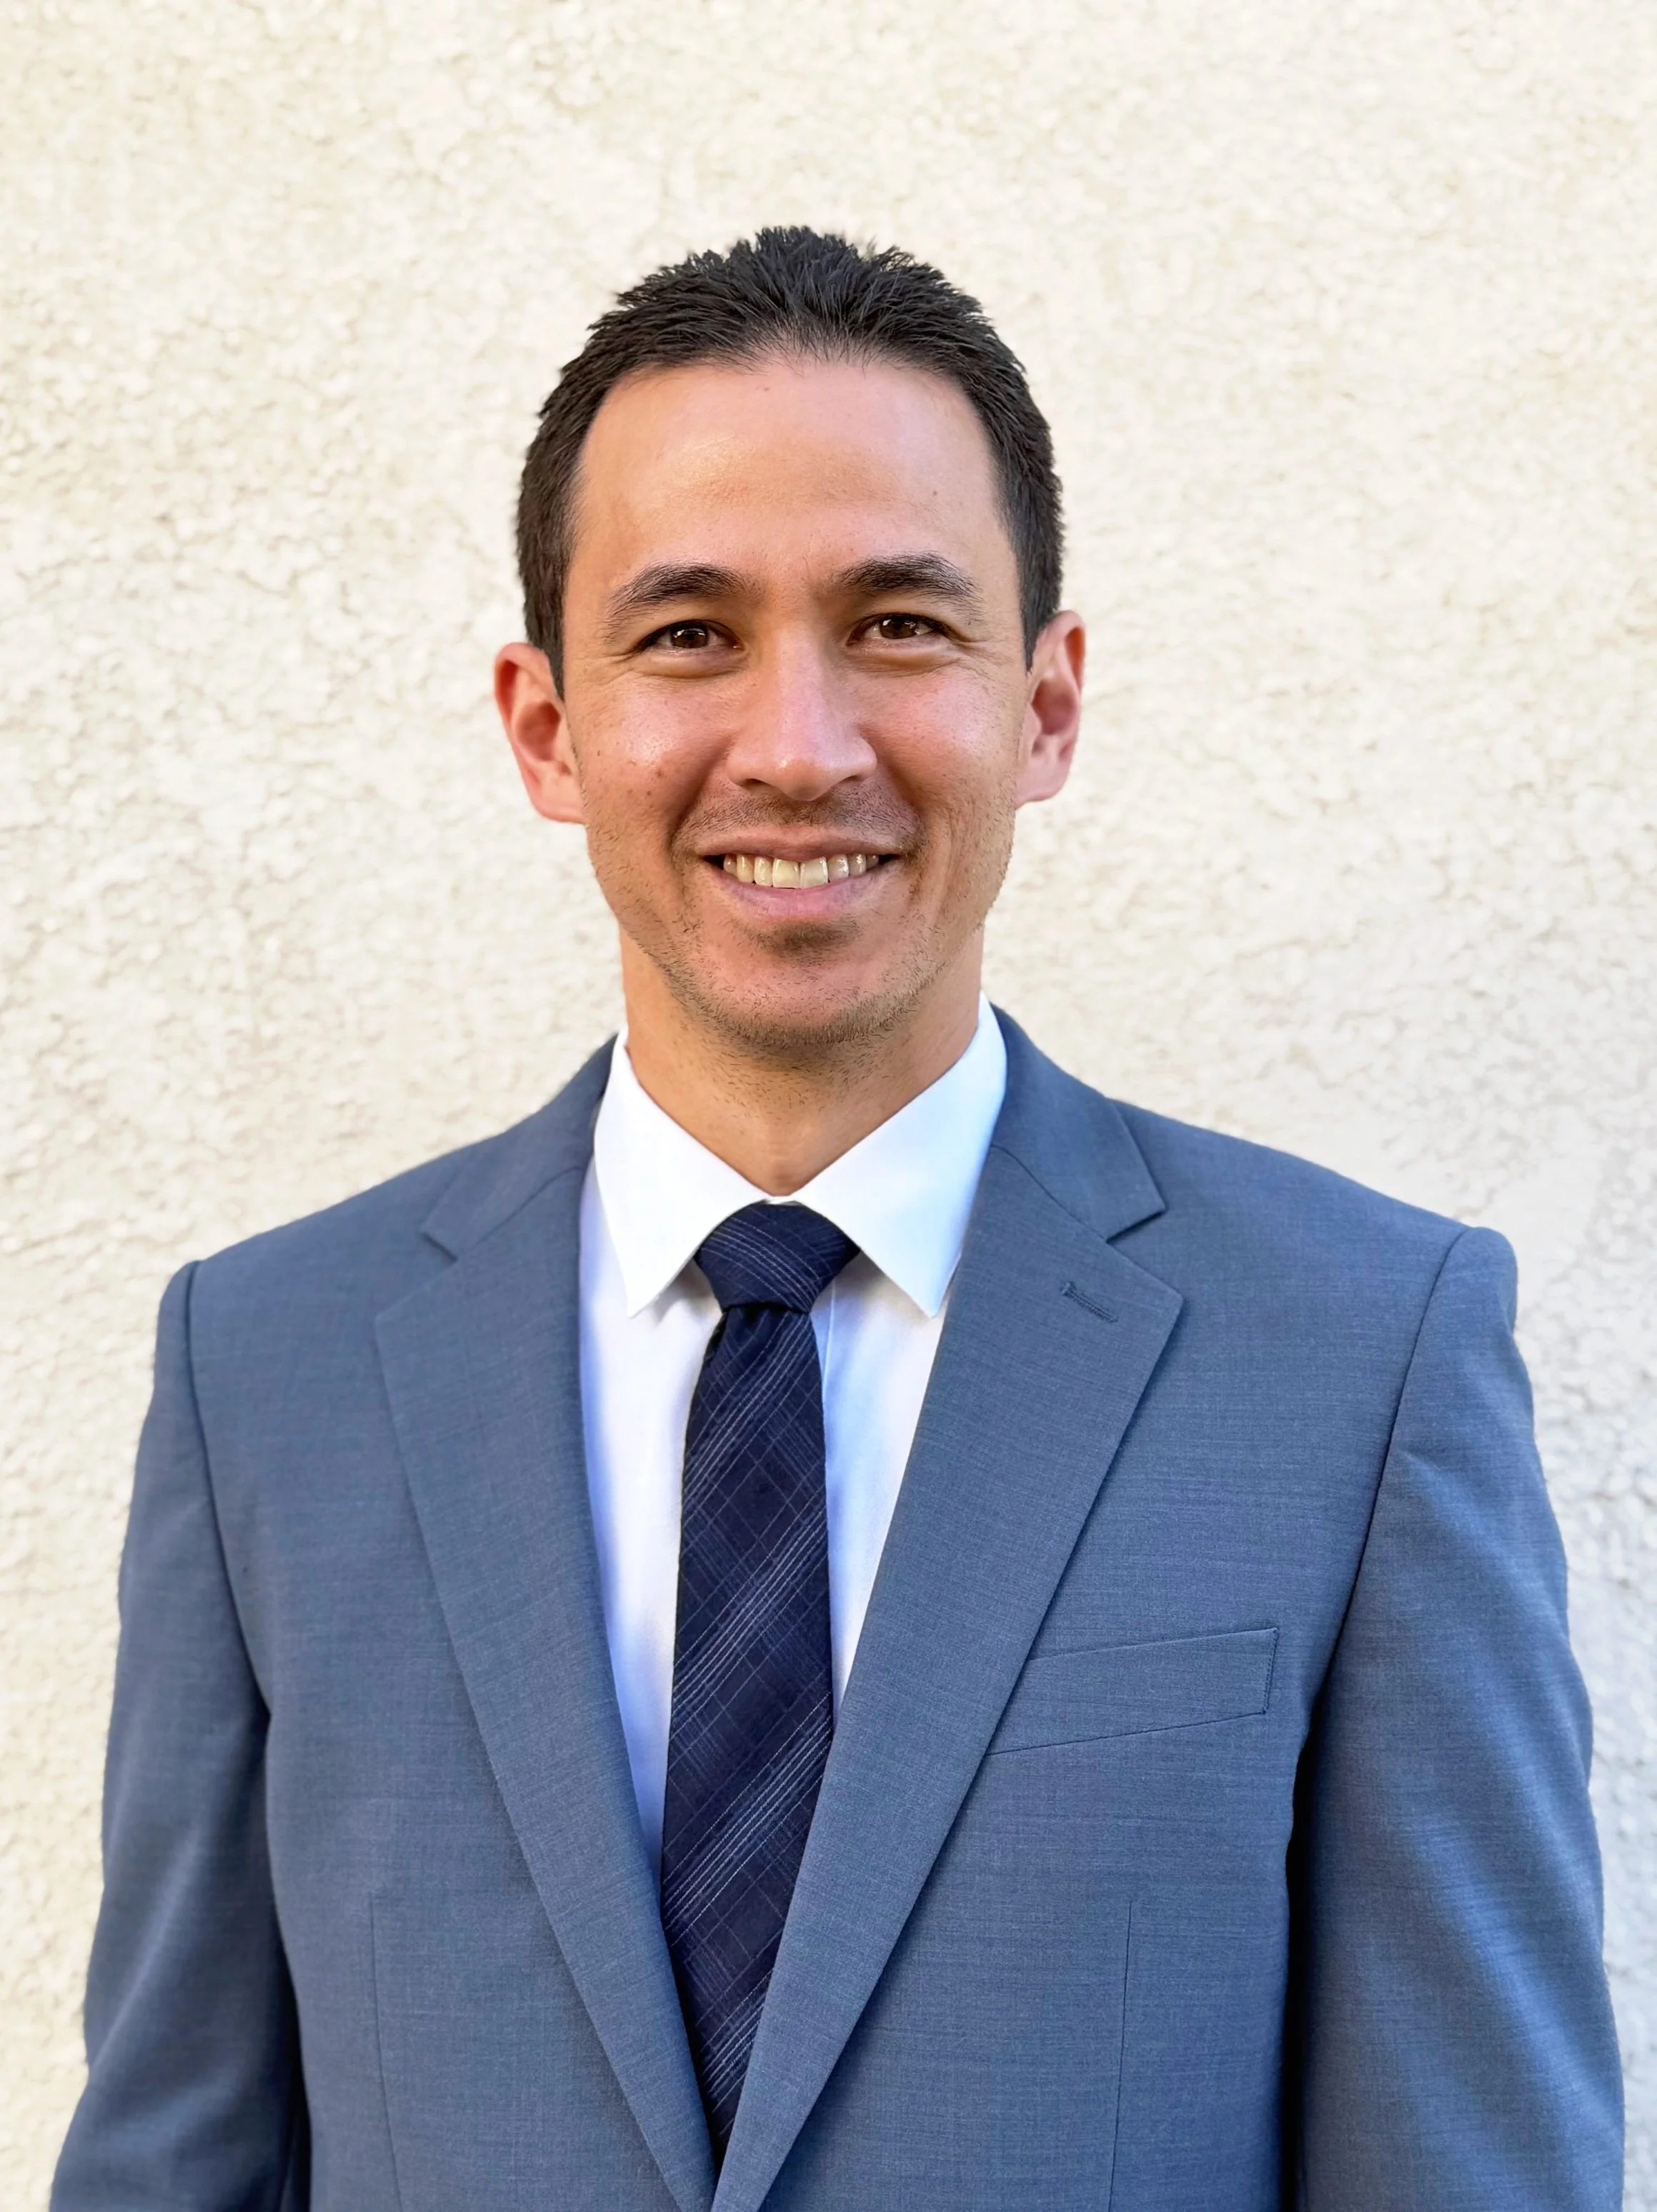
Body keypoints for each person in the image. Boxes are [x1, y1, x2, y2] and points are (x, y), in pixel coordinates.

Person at [54, 227, 1621, 2212]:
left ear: (1042, 704)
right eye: (688, 634)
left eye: (895, 624)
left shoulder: (1357, 1356)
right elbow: (177, 2160)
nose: (797, 744)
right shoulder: (266, 1376)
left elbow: (1471, 2170)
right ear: (547, 724)